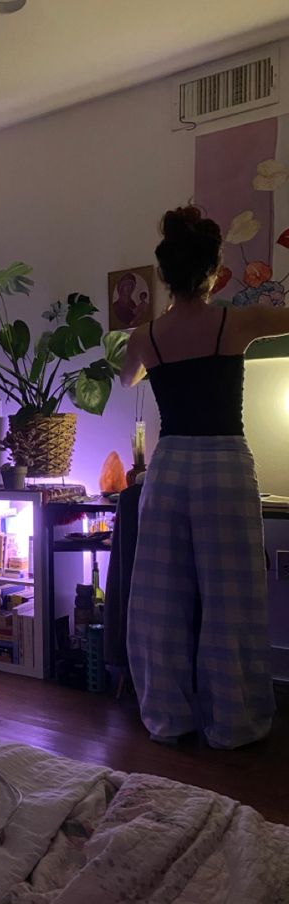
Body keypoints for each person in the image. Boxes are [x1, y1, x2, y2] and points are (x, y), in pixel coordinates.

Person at [120, 205, 289, 748]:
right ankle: (234, 723)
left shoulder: (147, 335)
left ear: (165, 274)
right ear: (215, 271)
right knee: (231, 599)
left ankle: (168, 718)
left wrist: (151, 345)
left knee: (159, 599)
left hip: (168, 471)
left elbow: (126, 381)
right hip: (222, 465)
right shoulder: (236, 322)